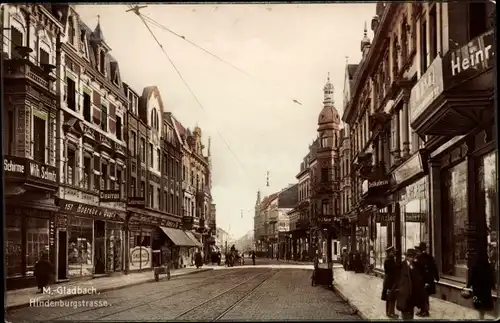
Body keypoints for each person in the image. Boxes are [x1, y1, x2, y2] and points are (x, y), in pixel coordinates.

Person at [395, 248, 426, 320]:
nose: (411, 258)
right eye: (410, 256)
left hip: (412, 294)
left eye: (412, 256)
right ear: (406, 257)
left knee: (410, 312)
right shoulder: (401, 265)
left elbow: (418, 278)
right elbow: (398, 279)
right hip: (404, 293)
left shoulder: (415, 265)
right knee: (405, 312)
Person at [465, 250, 494, 320]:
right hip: (486, 290)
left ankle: (481, 316)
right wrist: (493, 286)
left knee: (478, 304)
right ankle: (482, 316)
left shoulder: (475, 266)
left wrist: (468, 287)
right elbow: (491, 277)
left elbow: (471, 278)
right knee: (484, 305)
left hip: (477, 290)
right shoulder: (487, 266)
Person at [414, 242, 439, 317]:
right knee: (423, 296)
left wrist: (429, 280)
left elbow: (429, 269)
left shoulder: (422, 258)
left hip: (425, 280)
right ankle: (422, 310)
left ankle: (425, 311)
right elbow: (434, 268)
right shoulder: (427, 257)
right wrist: (436, 277)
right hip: (424, 280)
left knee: (424, 296)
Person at [381, 246, 399, 319]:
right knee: (392, 297)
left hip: (388, 280)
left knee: (389, 297)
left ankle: (389, 312)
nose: (394, 253)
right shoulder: (390, 261)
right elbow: (393, 271)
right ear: (390, 253)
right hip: (390, 281)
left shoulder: (389, 259)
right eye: (393, 252)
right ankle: (390, 313)